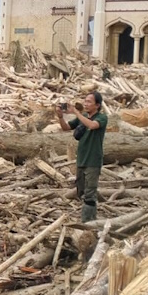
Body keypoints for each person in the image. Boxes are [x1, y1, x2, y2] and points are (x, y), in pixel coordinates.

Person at [57, 91, 108, 223]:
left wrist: (76, 112)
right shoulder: (83, 117)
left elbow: (92, 125)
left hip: (93, 160)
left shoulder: (102, 118)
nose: (86, 104)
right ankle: (88, 217)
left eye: (89, 102)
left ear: (97, 105)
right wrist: (60, 116)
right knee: (81, 191)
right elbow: (66, 128)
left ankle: (88, 223)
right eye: (85, 101)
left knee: (90, 194)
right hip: (81, 159)